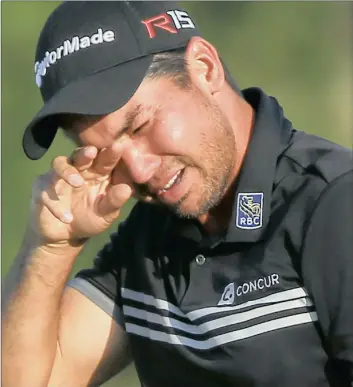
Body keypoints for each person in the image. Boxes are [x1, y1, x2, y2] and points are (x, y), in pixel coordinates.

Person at [2, 2, 352, 387]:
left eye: (139, 126)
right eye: (107, 154)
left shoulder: (334, 203)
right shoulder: (145, 241)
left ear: (204, 67)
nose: (138, 170)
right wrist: (51, 247)